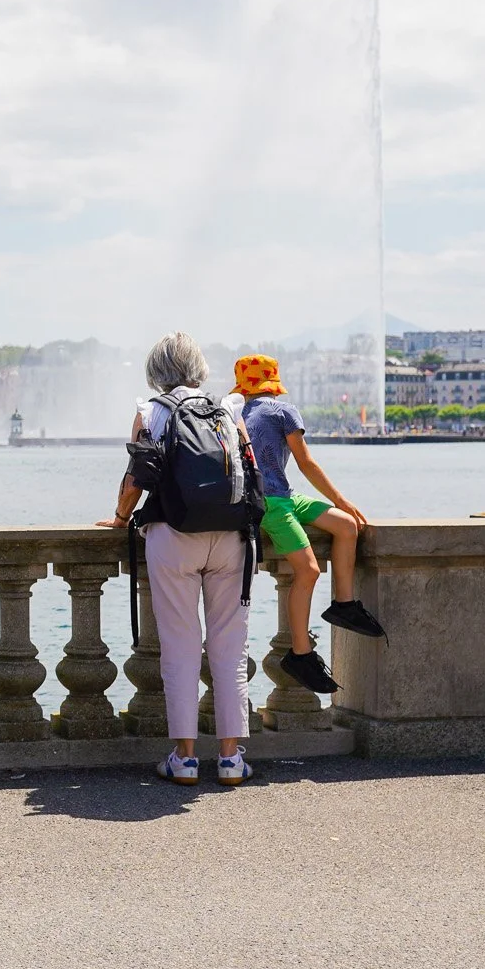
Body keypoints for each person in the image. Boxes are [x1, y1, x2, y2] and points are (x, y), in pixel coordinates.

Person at [102, 333, 255, 787]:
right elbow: (251, 470)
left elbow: (136, 478)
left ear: (156, 372)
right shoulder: (227, 409)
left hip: (173, 536)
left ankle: (185, 759)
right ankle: (230, 759)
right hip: (231, 538)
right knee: (231, 649)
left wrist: (120, 517)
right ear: (199, 368)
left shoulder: (151, 412)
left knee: (180, 647)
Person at [230, 354, 386, 689]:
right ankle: (300, 654)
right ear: (274, 383)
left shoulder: (236, 415)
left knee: (345, 526)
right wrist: (341, 500)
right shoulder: (283, 411)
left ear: (244, 386)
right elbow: (306, 462)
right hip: (272, 504)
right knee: (311, 568)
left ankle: (344, 604)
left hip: (276, 497)